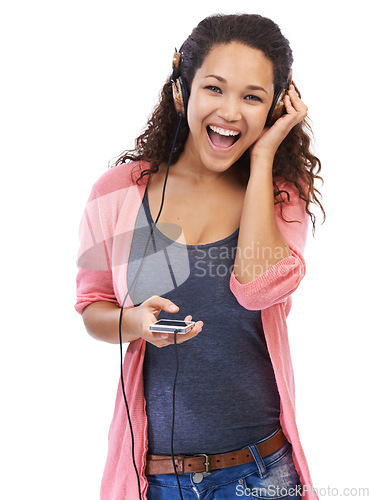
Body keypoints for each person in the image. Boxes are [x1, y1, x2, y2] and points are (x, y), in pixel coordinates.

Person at [75, 13, 324, 500]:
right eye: (215, 88)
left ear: (276, 107)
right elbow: (92, 308)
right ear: (181, 90)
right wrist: (136, 324)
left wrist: (264, 158)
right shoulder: (119, 194)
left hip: (264, 472)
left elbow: (258, 286)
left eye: (252, 97)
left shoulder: (280, 196)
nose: (231, 111)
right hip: (158, 479)